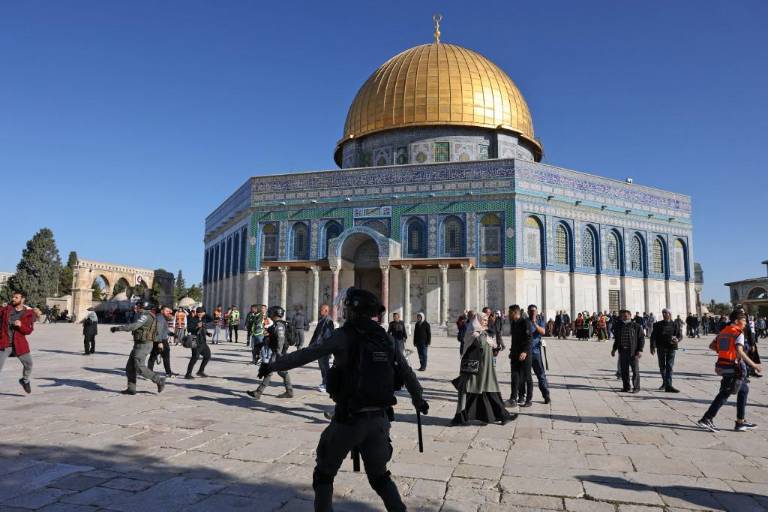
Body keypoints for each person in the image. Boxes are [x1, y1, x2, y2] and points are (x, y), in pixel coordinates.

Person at [257, 288, 428, 512]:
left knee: (324, 475)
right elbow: (406, 372)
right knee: (380, 477)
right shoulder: (384, 337)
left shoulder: (345, 335)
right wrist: (418, 399)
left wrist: (273, 365)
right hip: (380, 419)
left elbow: (308, 354)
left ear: (352, 310)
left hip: (350, 419)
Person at [697, 310, 762, 433]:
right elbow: (740, 351)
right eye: (743, 321)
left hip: (723, 365)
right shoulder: (738, 333)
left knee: (743, 389)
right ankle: (707, 418)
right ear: (737, 321)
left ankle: (740, 421)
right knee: (725, 393)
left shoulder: (723, 332)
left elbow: (712, 345)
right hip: (733, 367)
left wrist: (723, 351)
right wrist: (754, 365)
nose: (745, 324)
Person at [452, 312, 514, 426]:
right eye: (483, 320)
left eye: (486, 320)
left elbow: (490, 345)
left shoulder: (485, 334)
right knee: (468, 392)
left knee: (490, 391)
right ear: (477, 321)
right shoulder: (472, 333)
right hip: (474, 370)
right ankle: (459, 417)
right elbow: (474, 345)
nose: (486, 322)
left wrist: (494, 347)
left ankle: (503, 415)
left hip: (486, 369)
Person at [110, 301, 166, 395]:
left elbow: (134, 326)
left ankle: (159, 380)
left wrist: (118, 328)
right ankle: (131, 389)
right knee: (130, 368)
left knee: (140, 367)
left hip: (143, 345)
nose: (136, 307)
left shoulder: (146, 315)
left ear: (143, 307)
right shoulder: (147, 315)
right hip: (139, 344)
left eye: (138, 306)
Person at [247, 306, 293, 399]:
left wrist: (278, 354)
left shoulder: (279, 325)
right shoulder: (276, 324)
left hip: (278, 353)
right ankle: (289, 391)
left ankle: (258, 392)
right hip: (277, 352)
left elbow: (280, 340)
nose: (270, 314)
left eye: (271, 312)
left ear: (275, 314)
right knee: (282, 372)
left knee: (270, 371)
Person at [0, 291, 36, 393]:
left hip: (19, 344)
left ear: (22, 299)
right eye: (13, 297)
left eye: (16, 297)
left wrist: (21, 325)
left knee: (29, 364)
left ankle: (25, 380)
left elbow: (28, 331)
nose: (13, 299)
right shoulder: (7, 309)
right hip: (5, 343)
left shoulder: (28, 314)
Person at [611, 309, 645, 393]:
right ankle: (626, 387)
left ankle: (636, 387)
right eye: (623, 316)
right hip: (623, 351)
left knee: (635, 370)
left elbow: (641, 338)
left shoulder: (636, 326)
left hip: (633, 352)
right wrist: (614, 349)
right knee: (624, 370)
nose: (624, 317)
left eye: (626, 316)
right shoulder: (619, 326)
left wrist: (640, 350)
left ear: (630, 316)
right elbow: (617, 340)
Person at [650, 308, 682, 392]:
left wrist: (677, 340)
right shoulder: (658, 324)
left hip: (671, 347)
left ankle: (669, 385)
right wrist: (652, 347)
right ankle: (665, 383)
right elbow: (653, 336)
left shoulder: (675, 324)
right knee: (662, 366)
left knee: (669, 366)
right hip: (660, 347)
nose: (664, 314)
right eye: (663, 313)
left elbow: (680, 335)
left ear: (670, 314)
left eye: (666, 313)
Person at [524, 304, 551, 405]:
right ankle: (527, 398)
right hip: (526, 352)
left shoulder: (539, 320)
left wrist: (535, 324)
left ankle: (546, 395)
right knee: (526, 376)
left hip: (536, 352)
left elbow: (543, 331)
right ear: (528, 311)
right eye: (531, 311)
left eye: (534, 311)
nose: (533, 313)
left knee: (541, 375)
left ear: (537, 311)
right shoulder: (524, 322)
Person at [507, 305, 532, 407]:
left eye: (510, 312)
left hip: (525, 354)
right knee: (515, 376)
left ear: (514, 312)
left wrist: (525, 351)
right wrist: (512, 351)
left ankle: (528, 399)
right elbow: (514, 340)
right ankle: (513, 398)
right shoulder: (514, 323)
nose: (508, 314)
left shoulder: (525, 322)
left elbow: (529, 338)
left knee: (527, 377)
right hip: (515, 354)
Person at [308, 303, 335, 392]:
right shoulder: (321, 320)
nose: (320, 311)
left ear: (326, 311)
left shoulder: (328, 321)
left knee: (325, 366)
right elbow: (316, 334)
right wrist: (311, 344)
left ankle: (327, 384)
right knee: (322, 366)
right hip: (319, 347)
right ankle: (325, 382)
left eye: (321, 309)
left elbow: (327, 335)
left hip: (324, 348)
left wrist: (322, 346)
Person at [148, 306, 176, 377]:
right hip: (160, 340)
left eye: (169, 311)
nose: (168, 312)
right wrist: (159, 342)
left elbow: (164, 330)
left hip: (159, 339)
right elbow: (158, 331)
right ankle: (168, 373)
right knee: (162, 356)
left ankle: (149, 372)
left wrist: (172, 334)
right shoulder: (160, 318)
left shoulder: (162, 318)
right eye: (166, 311)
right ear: (162, 311)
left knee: (153, 356)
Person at [185, 307, 212, 379]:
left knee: (207, 356)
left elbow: (211, 318)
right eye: (198, 313)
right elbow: (189, 329)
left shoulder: (204, 319)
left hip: (203, 341)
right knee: (195, 357)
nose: (200, 314)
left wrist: (207, 333)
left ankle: (200, 371)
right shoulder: (193, 319)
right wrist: (197, 326)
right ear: (196, 313)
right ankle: (188, 374)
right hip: (195, 341)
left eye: (201, 313)